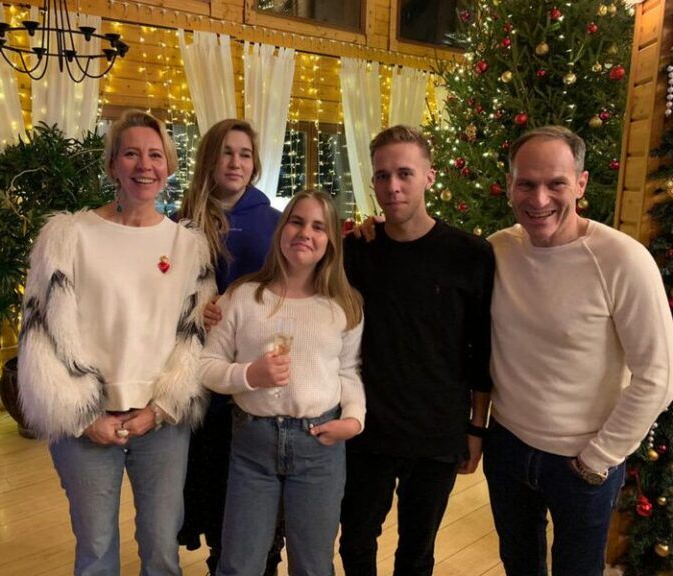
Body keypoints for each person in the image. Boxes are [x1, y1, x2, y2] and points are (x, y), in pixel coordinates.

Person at [17, 109, 216, 576]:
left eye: (155, 155)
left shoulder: (189, 246)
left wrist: (161, 409)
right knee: (96, 549)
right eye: (131, 154)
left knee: (162, 547)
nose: (144, 165)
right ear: (112, 165)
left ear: (168, 165)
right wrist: (84, 416)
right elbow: (38, 336)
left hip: (161, 421)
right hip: (84, 420)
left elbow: (194, 340)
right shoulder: (68, 236)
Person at [484, 125, 673, 576]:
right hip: (506, 447)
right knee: (518, 565)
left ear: (581, 184)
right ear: (509, 185)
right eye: (526, 183)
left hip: (582, 461)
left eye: (556, 183)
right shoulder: (498, 250)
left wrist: (598, 459)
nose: (539, 199)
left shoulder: (623, 260)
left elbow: (659, 376)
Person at [339, 125, 495, 576]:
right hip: (367, 425)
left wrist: (477, 428)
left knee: (417, 550)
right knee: (355, 541)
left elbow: (482, 348)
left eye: (404, 173)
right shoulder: (356, 250)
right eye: (382, 175)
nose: (393, 186)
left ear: (429, 176)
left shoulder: (471, 254)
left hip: (437, 430)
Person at [200, 190, 366, 576]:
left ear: (331, 241)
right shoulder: (242, 296)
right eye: (297, 221)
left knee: (312, 565)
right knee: (239, 564)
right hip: (252, 445)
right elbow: (206, 365)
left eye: (318, 227)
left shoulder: (344, 306)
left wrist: (355, 419)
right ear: (280, 229)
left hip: (319, 447)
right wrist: (248, 376)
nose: (305, 233)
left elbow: (349, 371)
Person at [175, 118, 283, 575]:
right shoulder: (184, 223)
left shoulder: (275, 222)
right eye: (227, 152)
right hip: (205, 381)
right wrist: (192, 309)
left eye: (245, 154)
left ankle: (267, 559)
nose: (236, 162)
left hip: (259, 377)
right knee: (218, 485)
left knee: (261, 488)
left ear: (255, 164)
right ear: (209, 159)